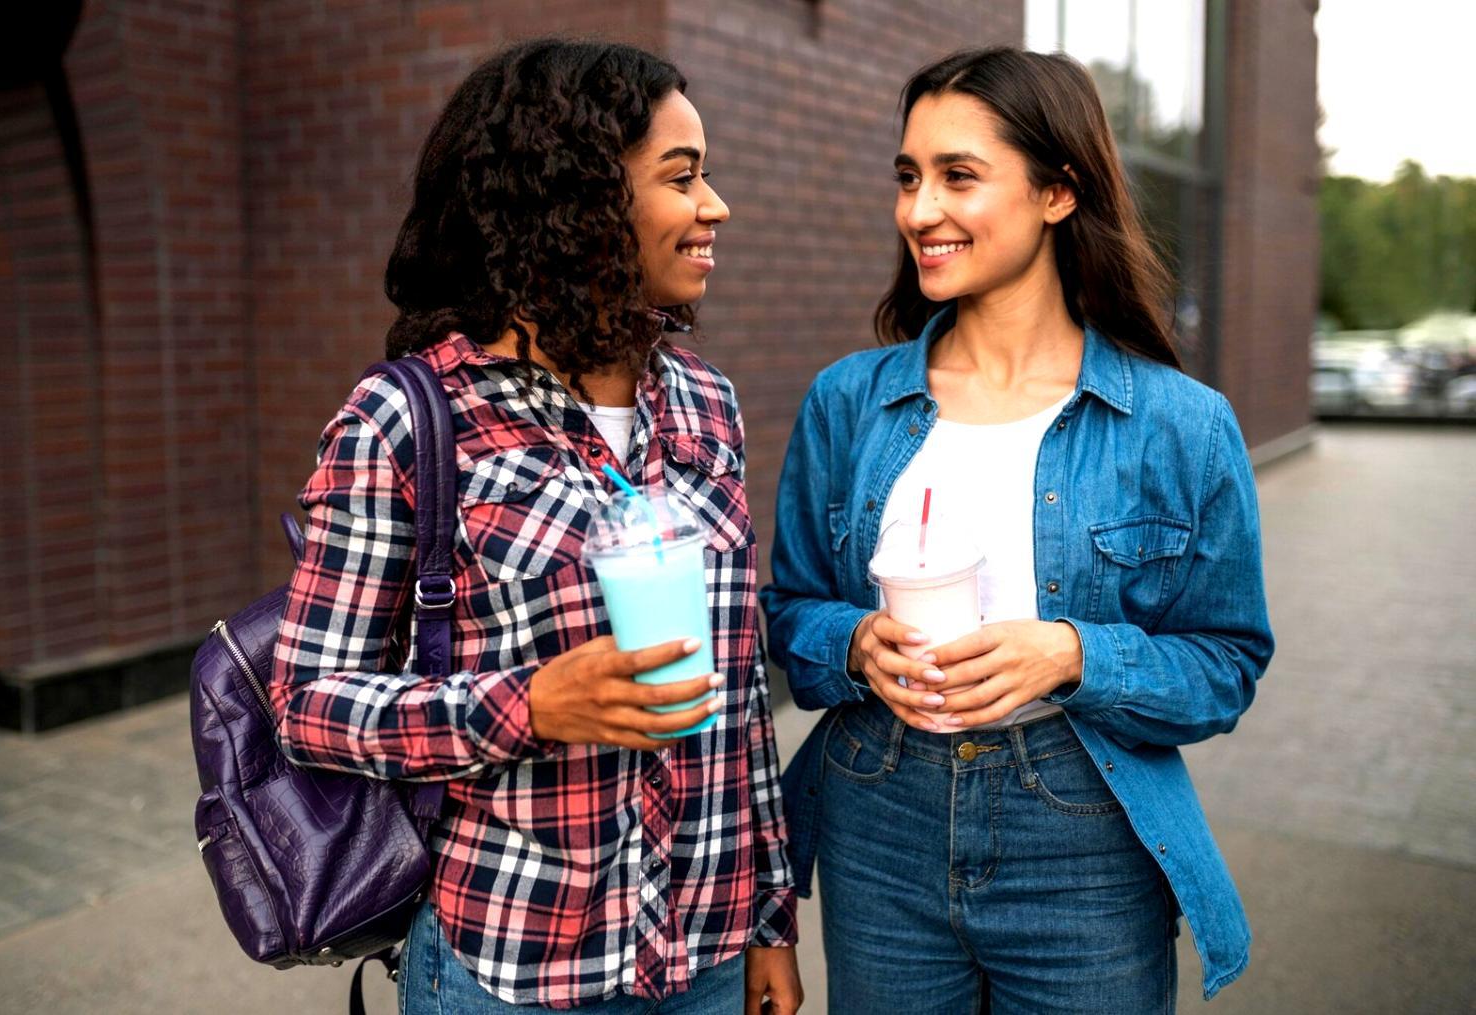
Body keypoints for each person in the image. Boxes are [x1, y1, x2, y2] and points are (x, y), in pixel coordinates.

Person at [271, 38, 802, 1015]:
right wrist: (530, 704)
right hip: (514, 968)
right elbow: (305, 702)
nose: (714, 205)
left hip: (707, 957)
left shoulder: (706, 405)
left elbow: (735, 692)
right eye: (682, 178)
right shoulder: (412, 420)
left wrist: (769, 921)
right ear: (581, 201)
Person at [761, 47, 1272, 1012]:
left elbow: (1226, 664)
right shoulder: (848, 404)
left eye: (958, 176)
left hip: (1081, 832)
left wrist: (1074, 653)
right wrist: (855, 642)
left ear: (1056, 192)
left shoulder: (1182, 424)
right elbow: (787, 612)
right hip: (880, 821)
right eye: (907, 178)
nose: (919, 210)